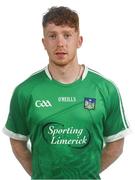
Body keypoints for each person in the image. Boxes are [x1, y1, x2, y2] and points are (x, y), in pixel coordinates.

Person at [3, 6, 130, 180]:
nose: (60, 43)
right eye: (52, 36)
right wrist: (41, 174)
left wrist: (85, 174)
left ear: (79, 40)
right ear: (44, 42)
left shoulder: (105, 89)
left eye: (67, 35)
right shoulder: (26, 91)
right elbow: (17, 142)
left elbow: (115, 145)